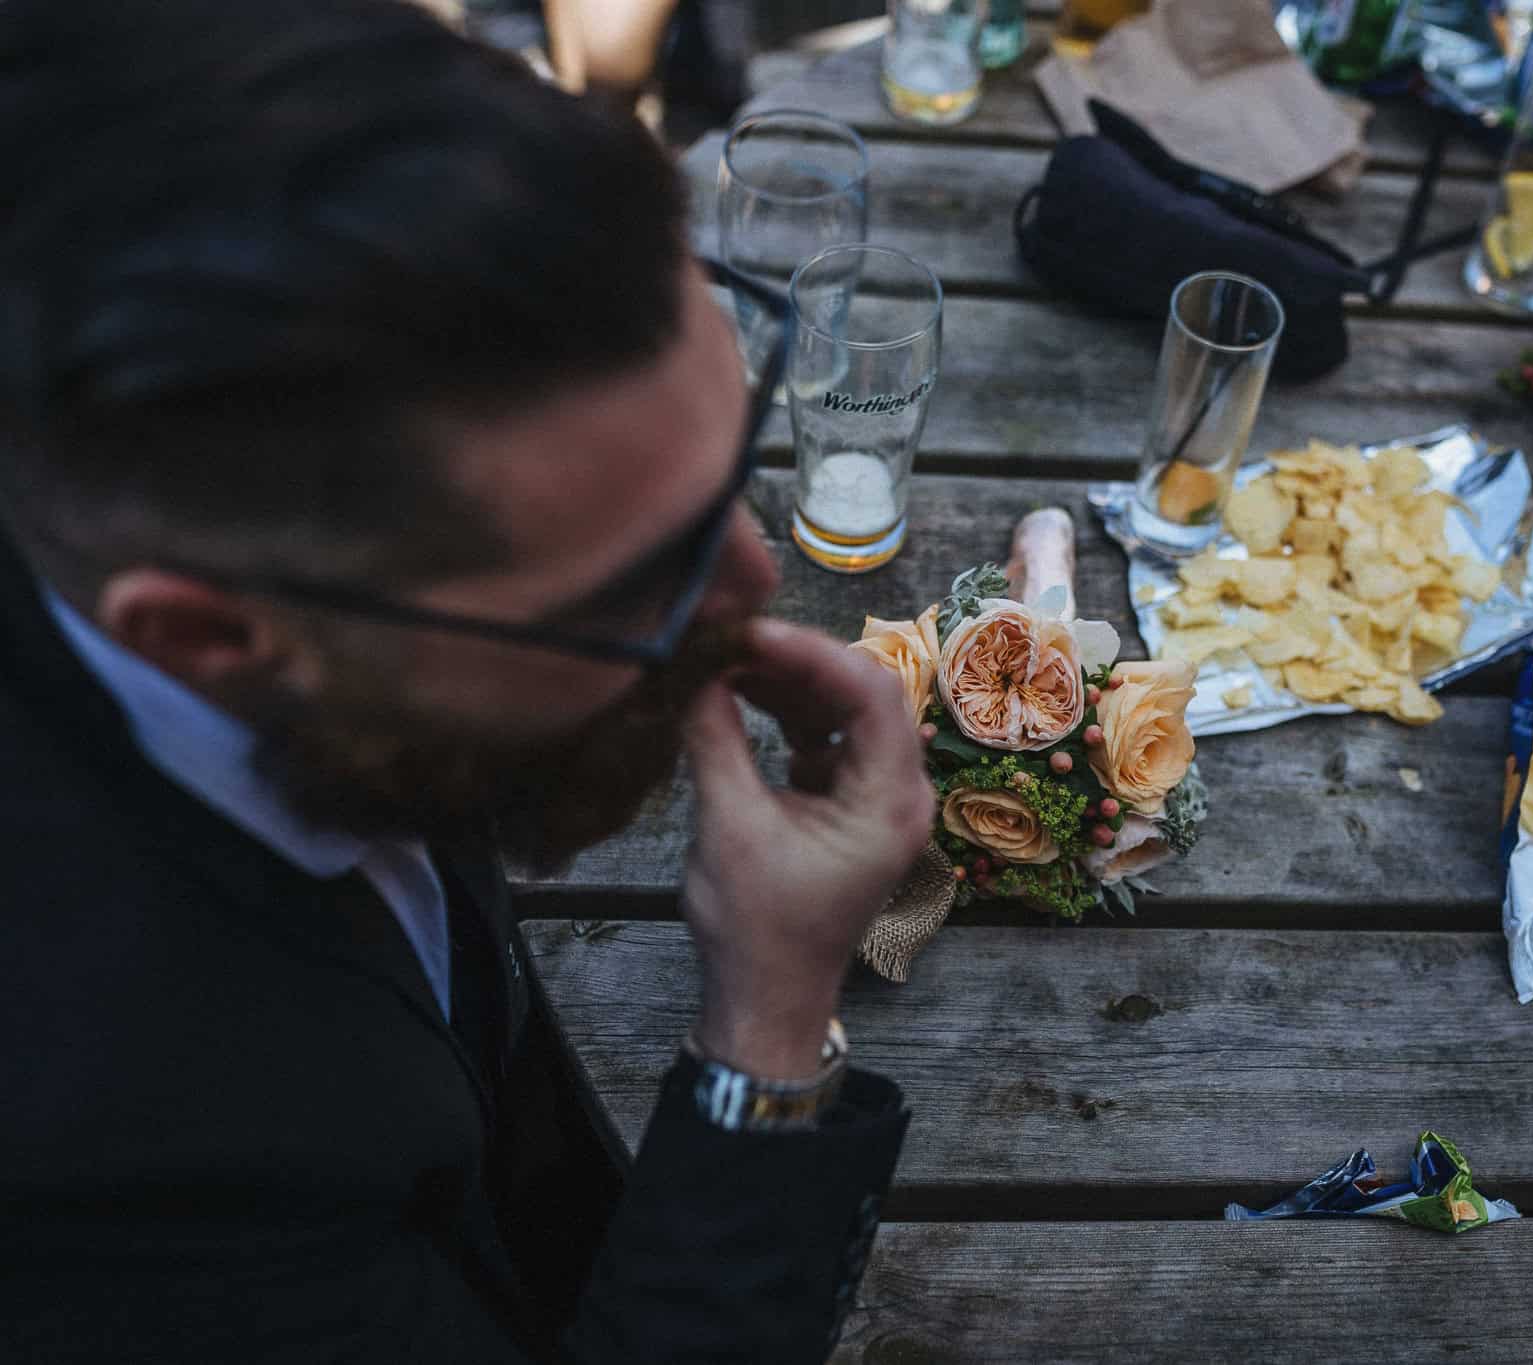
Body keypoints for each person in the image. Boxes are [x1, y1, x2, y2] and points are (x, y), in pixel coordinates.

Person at [0, 0, 935, 1359]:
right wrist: (768, 1041)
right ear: (215, 645)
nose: (754, 582)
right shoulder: (110, 1181)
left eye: (733, 461)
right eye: (630, 581)